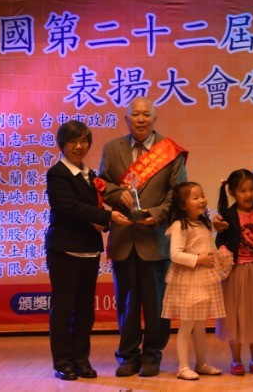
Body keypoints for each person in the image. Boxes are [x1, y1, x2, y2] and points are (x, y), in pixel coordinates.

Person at [99, 96, 188, 377]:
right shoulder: (112, 148)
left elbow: (179, 194)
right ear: (126, 119)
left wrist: (157, 214)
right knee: (127, 303)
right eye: (135, 115)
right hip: (124, 238)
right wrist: (117, 195)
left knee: (156, 304)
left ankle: (152, 355)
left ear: (154, 119)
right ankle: (128, 356)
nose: (140, 119)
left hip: (155, 238)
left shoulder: (170, 151)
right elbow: (102, 184)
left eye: (146, 115)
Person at [45, 120, 131, 381]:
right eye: (73, 142)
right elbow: (69, 206)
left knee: (84, 310)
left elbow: (94, 207)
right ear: (62, 145)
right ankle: (63, 362)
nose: (79, 146)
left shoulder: (91, 175)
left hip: (89, 250)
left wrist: (105, 218)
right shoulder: (57, 174)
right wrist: (107, 217)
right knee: (63, 309)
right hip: (65, 250)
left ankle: (81, 360)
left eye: (84, 141)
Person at [161, 182, 232, 381]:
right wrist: (199, 260)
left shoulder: (203, 223)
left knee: (200, 324)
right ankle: (182, 366)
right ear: (182, 204)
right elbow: (175, 255)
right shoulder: (180, 225)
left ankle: (201, 363)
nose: (202, 200)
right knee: (187, 325)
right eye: (195, 197)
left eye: (202, 195)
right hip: (188, 280)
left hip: (203, 278)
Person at [214, 169, 253, 376]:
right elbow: (220, 239)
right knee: (235, 316)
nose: (248, 194)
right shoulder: (228, 214)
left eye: (252, 189)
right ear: (232, 192)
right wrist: (223, 249)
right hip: (235, 273)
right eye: (242, 191)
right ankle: (236, 360)